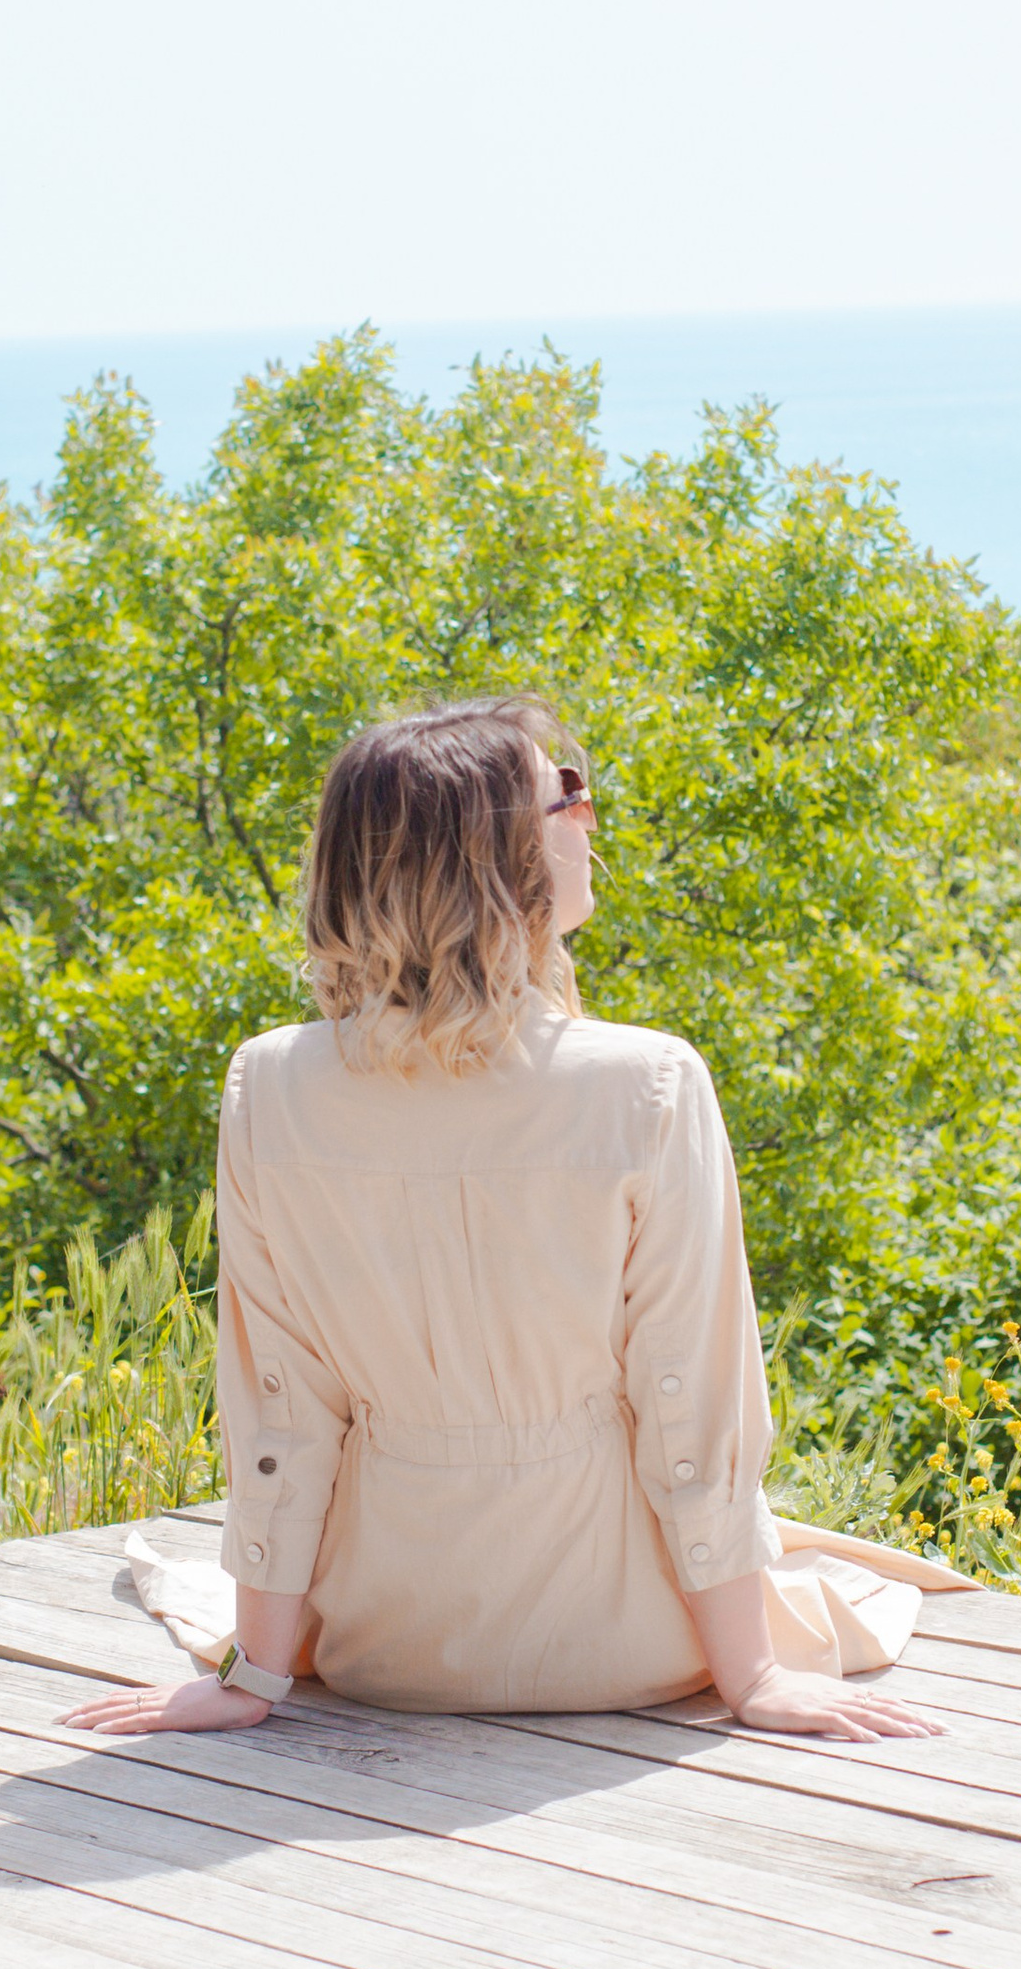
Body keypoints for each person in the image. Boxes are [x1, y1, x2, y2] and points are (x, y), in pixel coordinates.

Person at [64, 698, 947, 1746]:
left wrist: (254, 1669)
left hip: (382, 1642)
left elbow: (279, 1404)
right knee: (858, 1578)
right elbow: (691, 1402)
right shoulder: (649, 1082)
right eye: (566, 797)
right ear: (494, 855)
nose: (589, 819)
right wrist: (752, 1674)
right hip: (632, 1641)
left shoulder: (269, 1082)